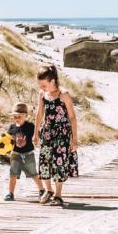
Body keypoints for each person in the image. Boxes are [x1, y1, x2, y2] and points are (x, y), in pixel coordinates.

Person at [34, 64, 78, 206]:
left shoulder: (64, 94)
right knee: (45, 161)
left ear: (52, 81)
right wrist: (35, 133)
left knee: (59, 162)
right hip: (47, 132)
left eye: (44, 84)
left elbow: (72, 117)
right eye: (40, 84)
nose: (41, 87)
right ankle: (48, 190)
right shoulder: (43, 94)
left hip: (62, 134)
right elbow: (39, 114)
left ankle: (58, 195)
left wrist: (74, 140)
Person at [4, 102, 45, 202]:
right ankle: (10, 193)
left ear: (26, 116)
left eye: (19, 116)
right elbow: (8, 140)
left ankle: (42, 190)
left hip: (28, 154)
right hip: (15, 154)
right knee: (13, 174)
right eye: (15, 116)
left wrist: (38, 140)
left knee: (34, 173)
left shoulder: (30, 126)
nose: (17, 118)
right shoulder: (12, 127)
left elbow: (37, 136)